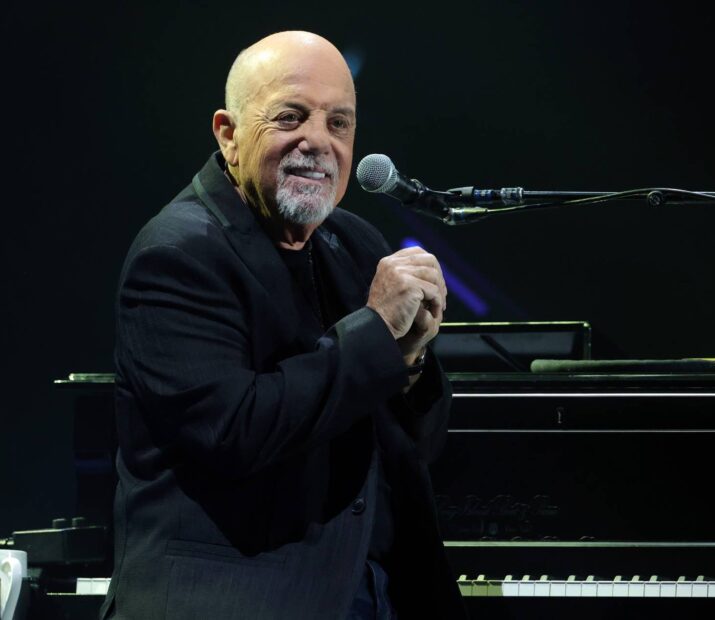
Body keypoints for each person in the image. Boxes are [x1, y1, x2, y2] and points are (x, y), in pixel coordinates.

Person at [100, 31, 465, 619]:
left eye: (338, 123)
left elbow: (416, 447)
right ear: (229, 134)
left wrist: (413, 359)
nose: (318, 141)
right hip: (237, 598)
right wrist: (377, 332)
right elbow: (238, 432)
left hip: (377, 589)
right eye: (291, 117)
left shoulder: (355, 242)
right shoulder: (176, 254)